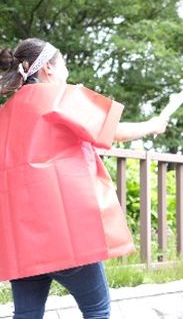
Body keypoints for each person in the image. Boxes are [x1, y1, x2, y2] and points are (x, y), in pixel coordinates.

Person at [0, 38, 169, 318]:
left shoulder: (5, 113)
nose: (66, 70)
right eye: (63, 63)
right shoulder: (58, 96)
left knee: (26, 315)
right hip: (66, 233)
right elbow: (110, 130)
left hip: (23, 239)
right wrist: (152, 125)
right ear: (49, 70)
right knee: (97, 311)